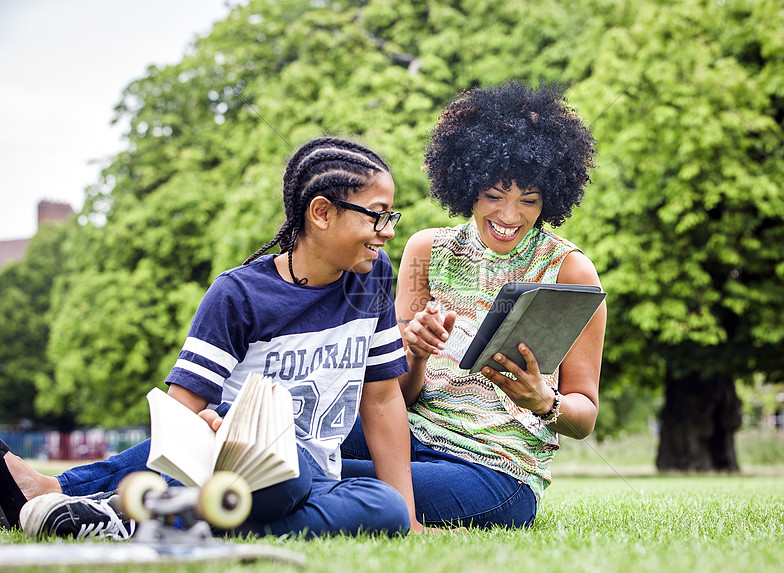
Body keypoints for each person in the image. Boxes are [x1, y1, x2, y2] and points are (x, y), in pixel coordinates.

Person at [0, 137, 426, 539]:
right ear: (321, 212)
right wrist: (210, 432)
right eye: (377, 214)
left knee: (384, 507)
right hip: (242, 470)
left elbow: (384, 399)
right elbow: (180, 415)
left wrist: (409, 520)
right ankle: (140, 505)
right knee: (287, 466)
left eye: (391, 216)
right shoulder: (239, 294)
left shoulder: (373, 278)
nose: (387, 230)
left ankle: (163, 520)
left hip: (315, 479)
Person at [341, 82, 605, 528]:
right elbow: (395, 396)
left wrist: (545, 401)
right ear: (468, 186)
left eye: (529, 200)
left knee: (316, 468)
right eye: (495, 195)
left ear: (551, 199)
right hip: (407, 436)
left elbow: (585, 418)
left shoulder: (570, 271)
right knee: (299, 430)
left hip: (493, 472)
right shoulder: (427, 251)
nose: (509, 215)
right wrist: (416, 353)